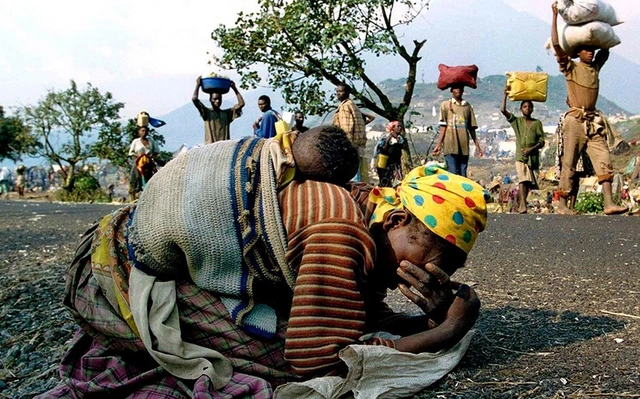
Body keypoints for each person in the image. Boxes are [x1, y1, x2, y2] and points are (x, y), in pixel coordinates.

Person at [39, 128, 488, 398]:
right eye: (438, 258)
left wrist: (426, 319)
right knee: (275, 365)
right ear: (395, 219)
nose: (438, 274)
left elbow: (354, 310)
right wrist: (445, 333)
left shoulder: (363, 208)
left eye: (451, 268)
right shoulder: (343, 230)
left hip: (126, 249)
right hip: (115, 274)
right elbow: (326, 362)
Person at [551, 1, 627, 215]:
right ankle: (563, 205)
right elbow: (557, 45)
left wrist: (600, 22)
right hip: (575, 120)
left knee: (604, 159)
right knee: (569, 162)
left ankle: (609, 203)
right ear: (577, 51)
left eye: (592, 48)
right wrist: (555, 16)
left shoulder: (595, 68)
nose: (590, 52)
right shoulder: (571, 68)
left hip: (593, 121)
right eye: (586, 49)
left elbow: (606, 48)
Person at [500, 88, 545, 214]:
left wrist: (531, 149)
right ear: (521, 109)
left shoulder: (537, 124)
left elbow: (541, 142)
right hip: (521, 157)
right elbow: (503, 110)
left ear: (532, 109)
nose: (527, 109)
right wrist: (505, 95)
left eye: (529, 107)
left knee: (529, 183)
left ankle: (521, 203)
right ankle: (523, 206)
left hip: (532, 158)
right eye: (525, 107)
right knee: (522, 179)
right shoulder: (517, 121)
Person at [432, 85, 483, 177]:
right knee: (452, 173)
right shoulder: (446, 105)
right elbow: (443, 126)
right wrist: (438, 145)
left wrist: (477, 146)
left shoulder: (467, 107)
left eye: (460, 88)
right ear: (451, 90)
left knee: (463, 175)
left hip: (463, 147)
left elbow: (471, 128)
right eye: (455, 88)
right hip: (450, 145)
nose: (458, 90)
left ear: (463, 90)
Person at [192, 76, 245, 144]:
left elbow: (241, 104)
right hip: (210, 148)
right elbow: (194, 99)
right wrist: (198, 85)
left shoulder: (226, 114)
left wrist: (235, 89)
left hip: (224, 148)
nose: (217, 101)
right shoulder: (207, 113)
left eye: (219, 99)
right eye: (214, 99)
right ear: (210, 100)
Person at [333, 83, 368, 183]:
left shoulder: (344, 107)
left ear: (347, 93)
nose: (338, 94)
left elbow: (346, 128)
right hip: (357, 144)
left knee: (351, 174)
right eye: (337, 91)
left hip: (350, 144)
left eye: (341, 91)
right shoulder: (353, 105)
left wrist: (345, 145)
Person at [128, 125, 159, 201]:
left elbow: (156, 151)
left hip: (149, 163)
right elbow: (131, 153)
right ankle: (136, 194)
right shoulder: (136, 141)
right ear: (139, 132)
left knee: (152, 178)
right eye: (142, 131)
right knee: (136, 178)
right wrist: (139, 155)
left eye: (146, 131)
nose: (144, 132)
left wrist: (151, 155)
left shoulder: (151, 141)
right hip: (139, 163)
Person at [374, 121, 406, 187]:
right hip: (385, 164)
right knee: (385, 181)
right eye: (398, 126)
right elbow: (382, 149)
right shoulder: (386, 138)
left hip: (396, 164)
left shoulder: (400, 139)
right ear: (393, 128)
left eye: (401, 126)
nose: (400, 128)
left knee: (397, 181)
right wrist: (387, 140)